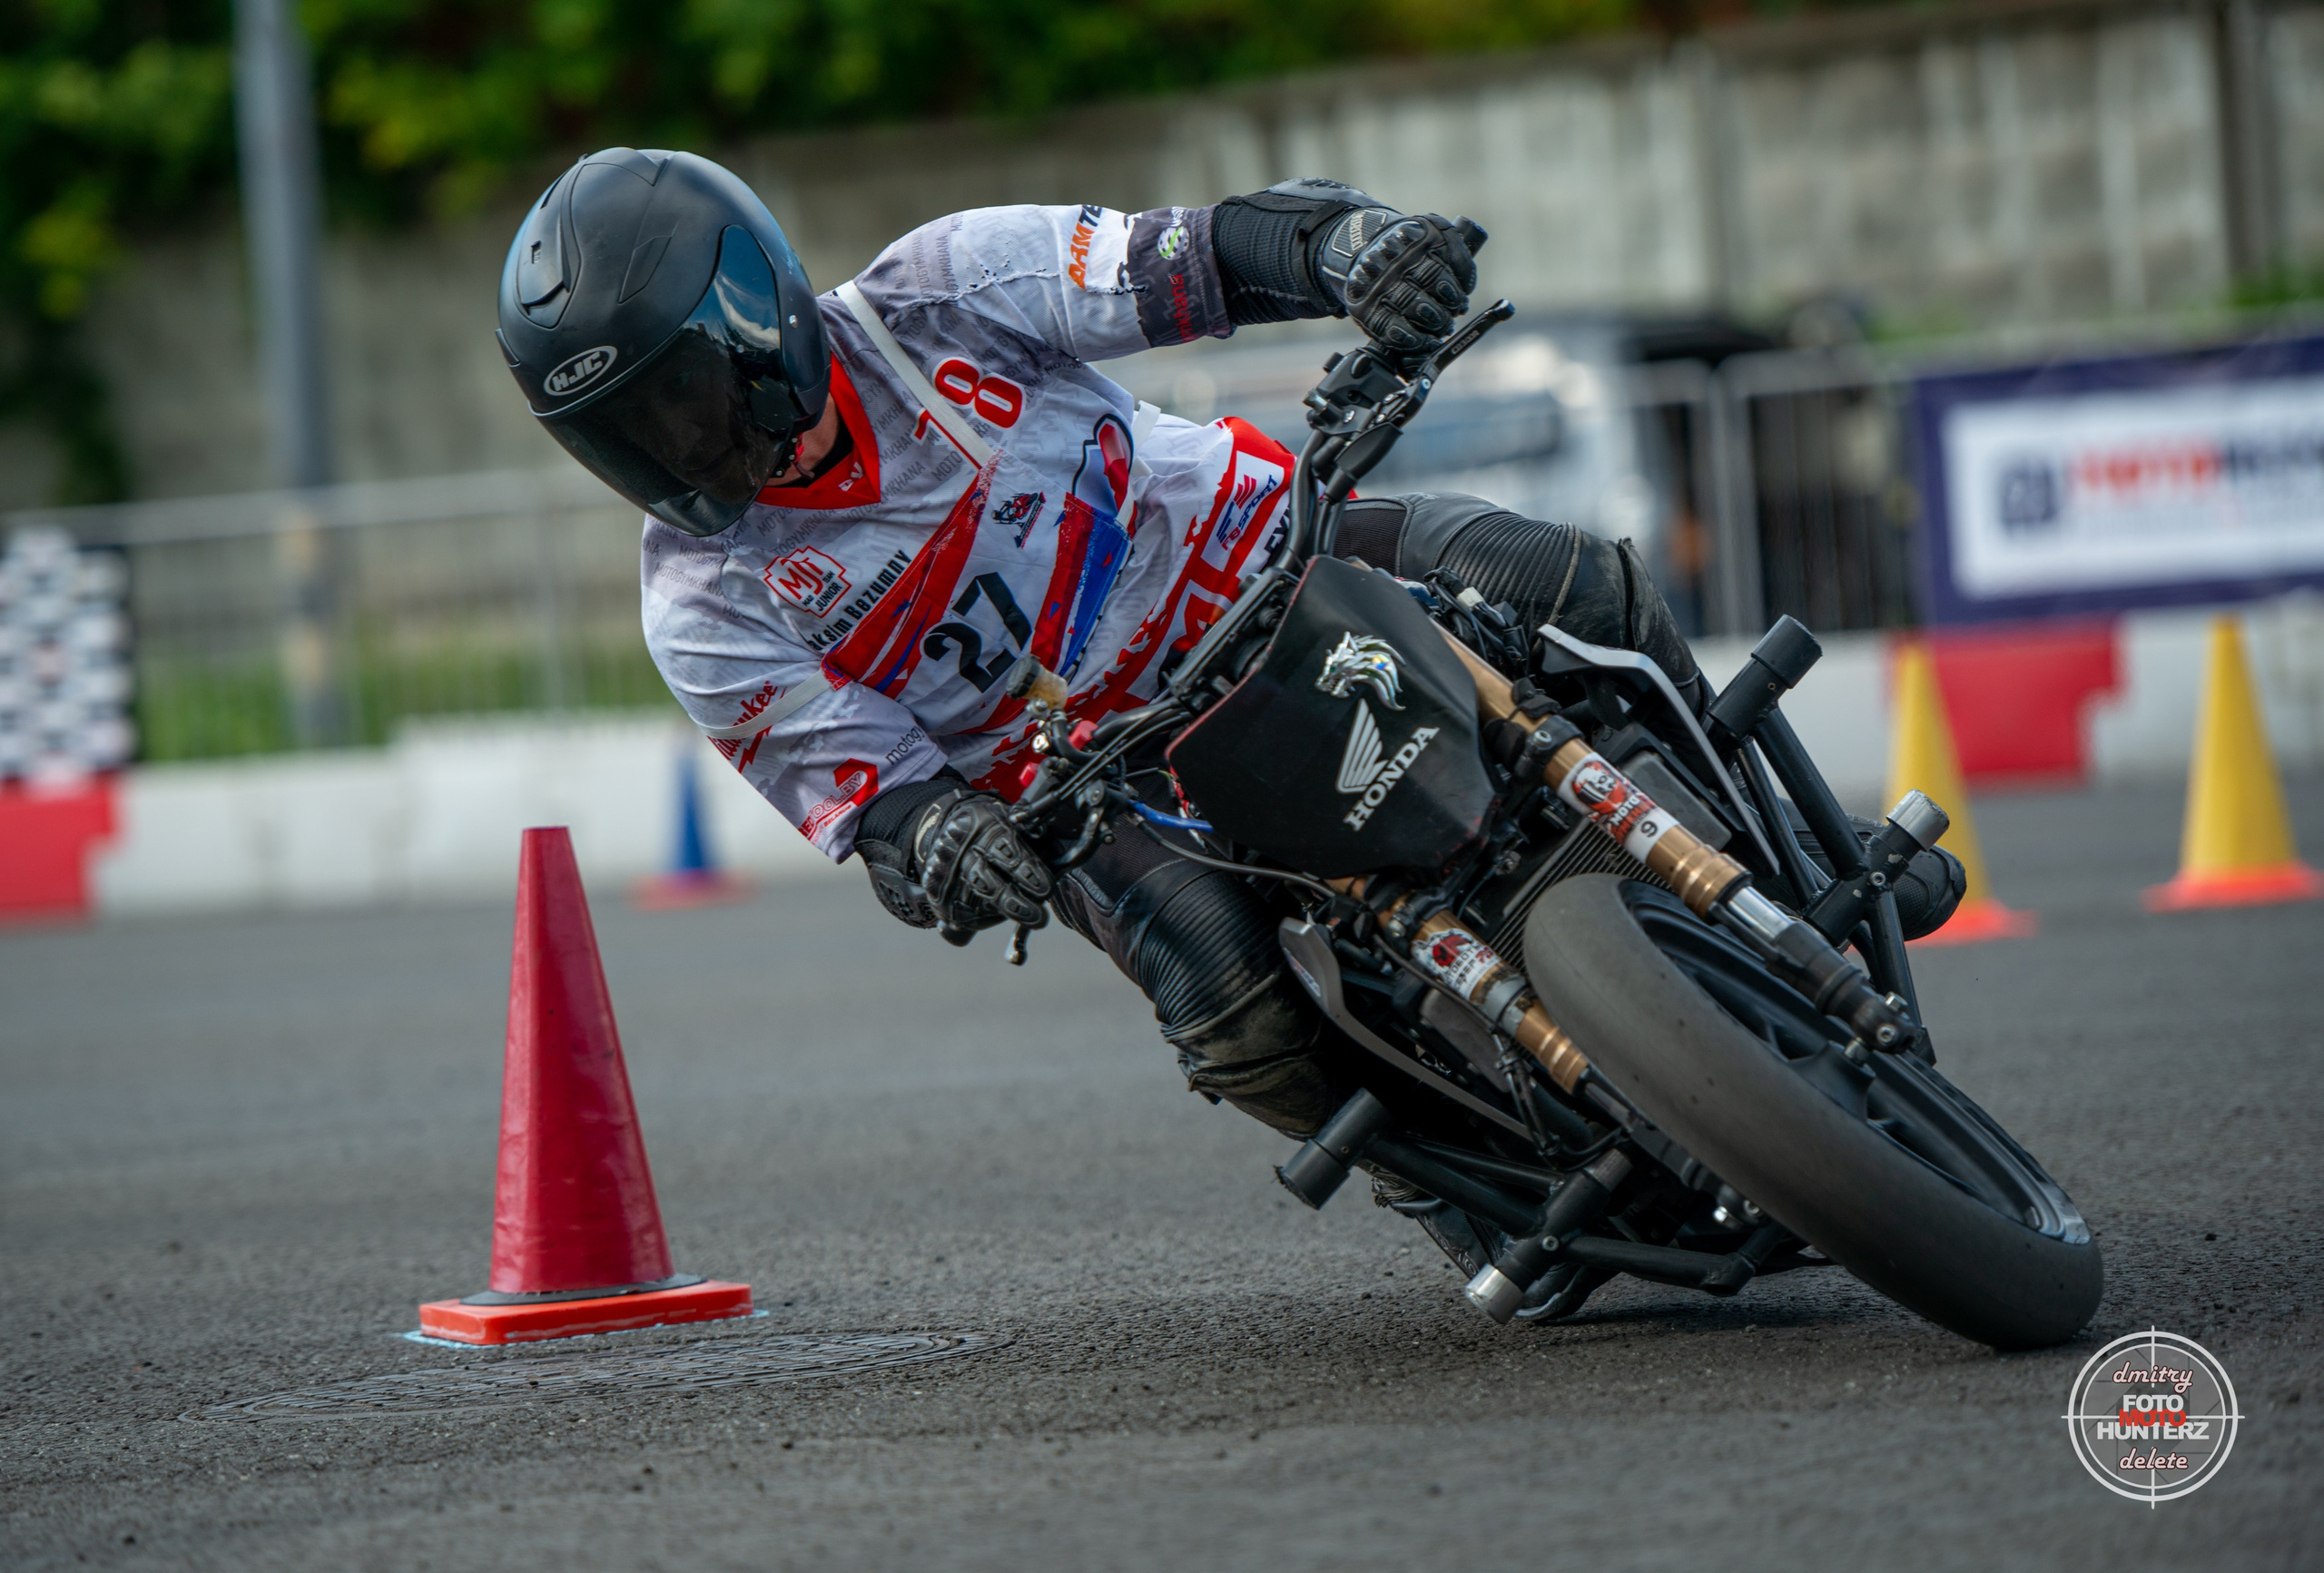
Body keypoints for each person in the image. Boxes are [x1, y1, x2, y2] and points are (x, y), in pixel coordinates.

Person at [496, 148, 1955, 1141]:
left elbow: (1192, 260)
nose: (675, 448)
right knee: (1227, 1008)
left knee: (1582, 583)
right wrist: (941, 846)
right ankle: (1472, 1178)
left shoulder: (939, 290)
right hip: (1098, 785)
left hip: (1271, 553)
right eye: (624, 432)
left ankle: (1818, 860)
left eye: (681, 395)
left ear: (753, 315)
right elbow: (874, 800)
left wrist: (1359, 252)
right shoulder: (700, 603)